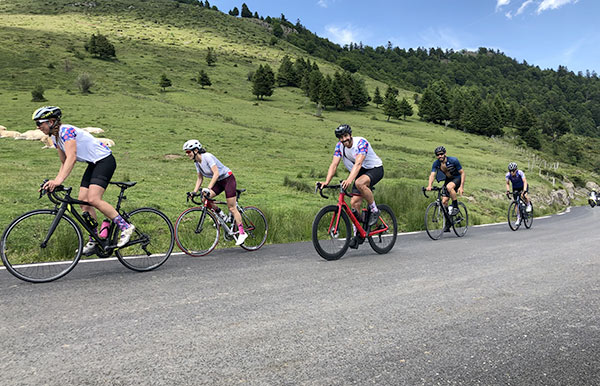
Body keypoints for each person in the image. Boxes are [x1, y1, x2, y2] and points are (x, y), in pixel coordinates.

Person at [33, 106, 135, 254]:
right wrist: (54, 182)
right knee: (83, 201)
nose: (38, 127)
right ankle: (94, 239)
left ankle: (126, 227)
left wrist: (59, 181)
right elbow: (64, 162)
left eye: (39, 123)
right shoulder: (55, 138)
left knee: (93, 198)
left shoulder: (66, 131)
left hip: (104, 160)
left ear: (51, 121)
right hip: (93, 163)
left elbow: (72, 157)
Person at [317, 124, 384, 248]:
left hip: (375, 168)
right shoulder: (339, 147)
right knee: (354, 203)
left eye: (346, 136)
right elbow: (334, 165)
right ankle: (358, 234)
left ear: (350, 135)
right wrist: (326, 181)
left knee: (359, 183)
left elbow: (358, 164)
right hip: (359, 172)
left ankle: (375, 210)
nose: (344, 140)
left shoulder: (361, 143)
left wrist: (349, 180)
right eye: (341, 138)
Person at [183, 139, 247, 246]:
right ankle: (222, 217)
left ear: (195, 150)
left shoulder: (207, 157)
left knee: (232, 207)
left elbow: (216, 173)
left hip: (228, 179)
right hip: (219, 182)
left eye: (188, 152)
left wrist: (208, 188)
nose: (187, 154)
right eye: (186, 152)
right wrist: (194, 192)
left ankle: (242, 233)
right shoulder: (197, 163)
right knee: (204, 199)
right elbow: (200, 178)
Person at [426, 146, 465, 230]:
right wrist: (429, 185)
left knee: (449, 187)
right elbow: (432, 174)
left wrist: (461, 187)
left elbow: (462, 173)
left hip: (457, 178)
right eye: (438, 155)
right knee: (444, 202)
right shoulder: (436, 163)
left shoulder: (453, 160)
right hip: (448, 179)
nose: (440, 156)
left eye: (441, 154)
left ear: (445, 154)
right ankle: (448, 222)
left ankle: (455, 207)